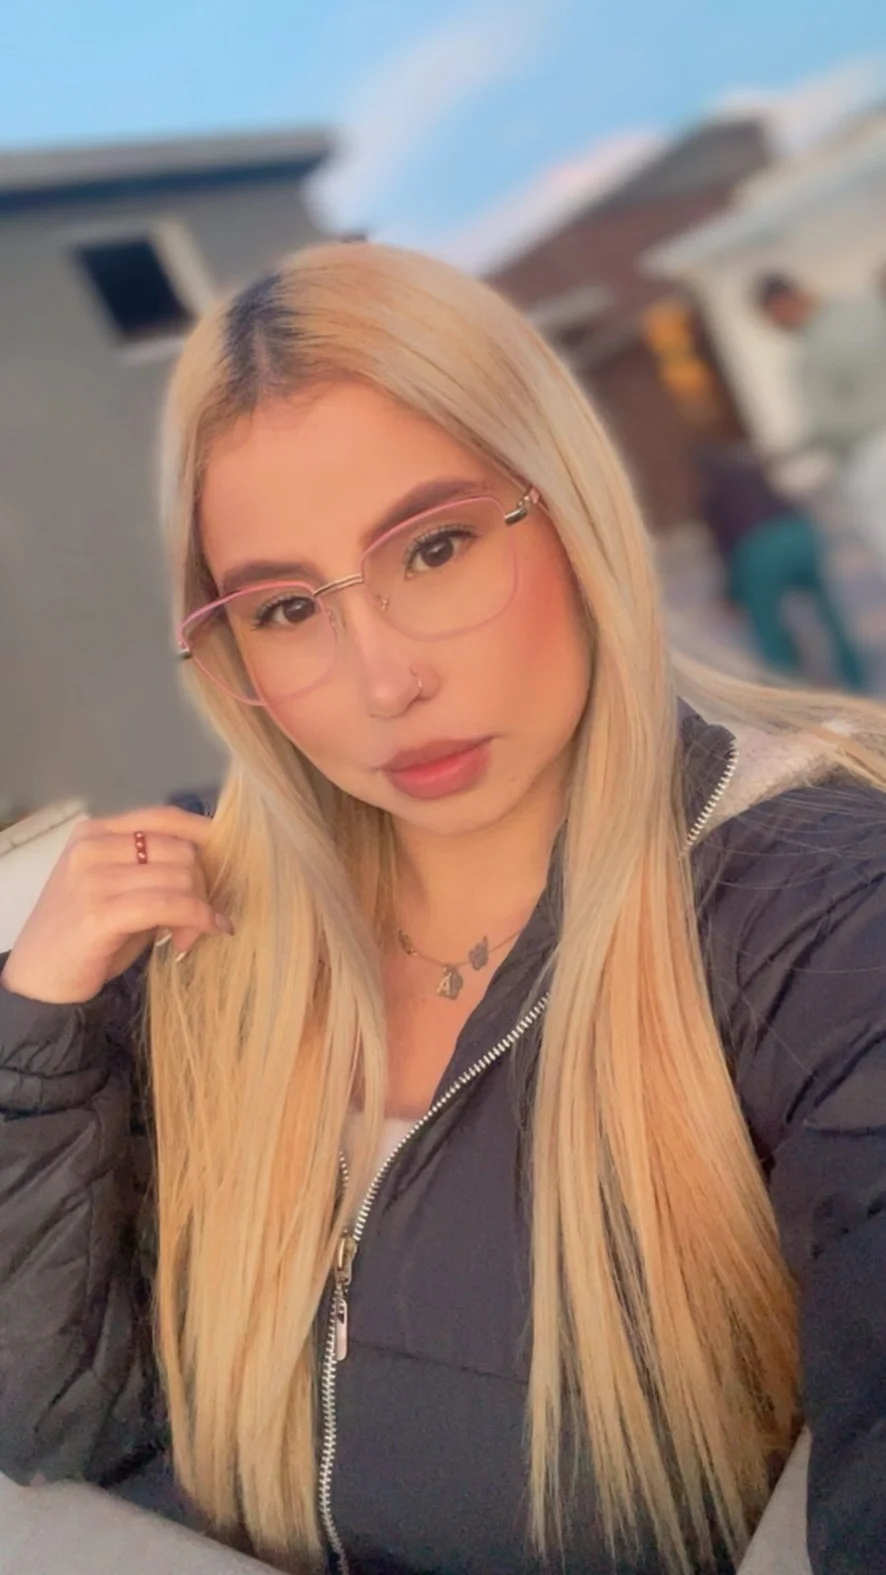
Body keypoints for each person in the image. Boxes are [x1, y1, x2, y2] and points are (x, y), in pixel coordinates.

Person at [3, 245, 886, 1575]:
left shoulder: (817, 913)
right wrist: (32, 1036)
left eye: (433, 546)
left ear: (571, 508)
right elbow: (60, 1415)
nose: (381, 681)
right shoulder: (189, 926)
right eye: (285, 606)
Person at [694, 437, 868, 691]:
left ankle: (788, 687)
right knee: (825, 607)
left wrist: (730, 593)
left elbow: (726, 551)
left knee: (765, 622)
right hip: (798, 533)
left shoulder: (711, 498)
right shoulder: (751, 474)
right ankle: (854, 674)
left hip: (759, 549)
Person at [753, 271, 886, 568]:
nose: (773, 326)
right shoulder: (866, 308)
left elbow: (827, 425)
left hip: (873, 455)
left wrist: (783, 453)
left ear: (781, 305)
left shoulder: (811, 355)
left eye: (769, 317)